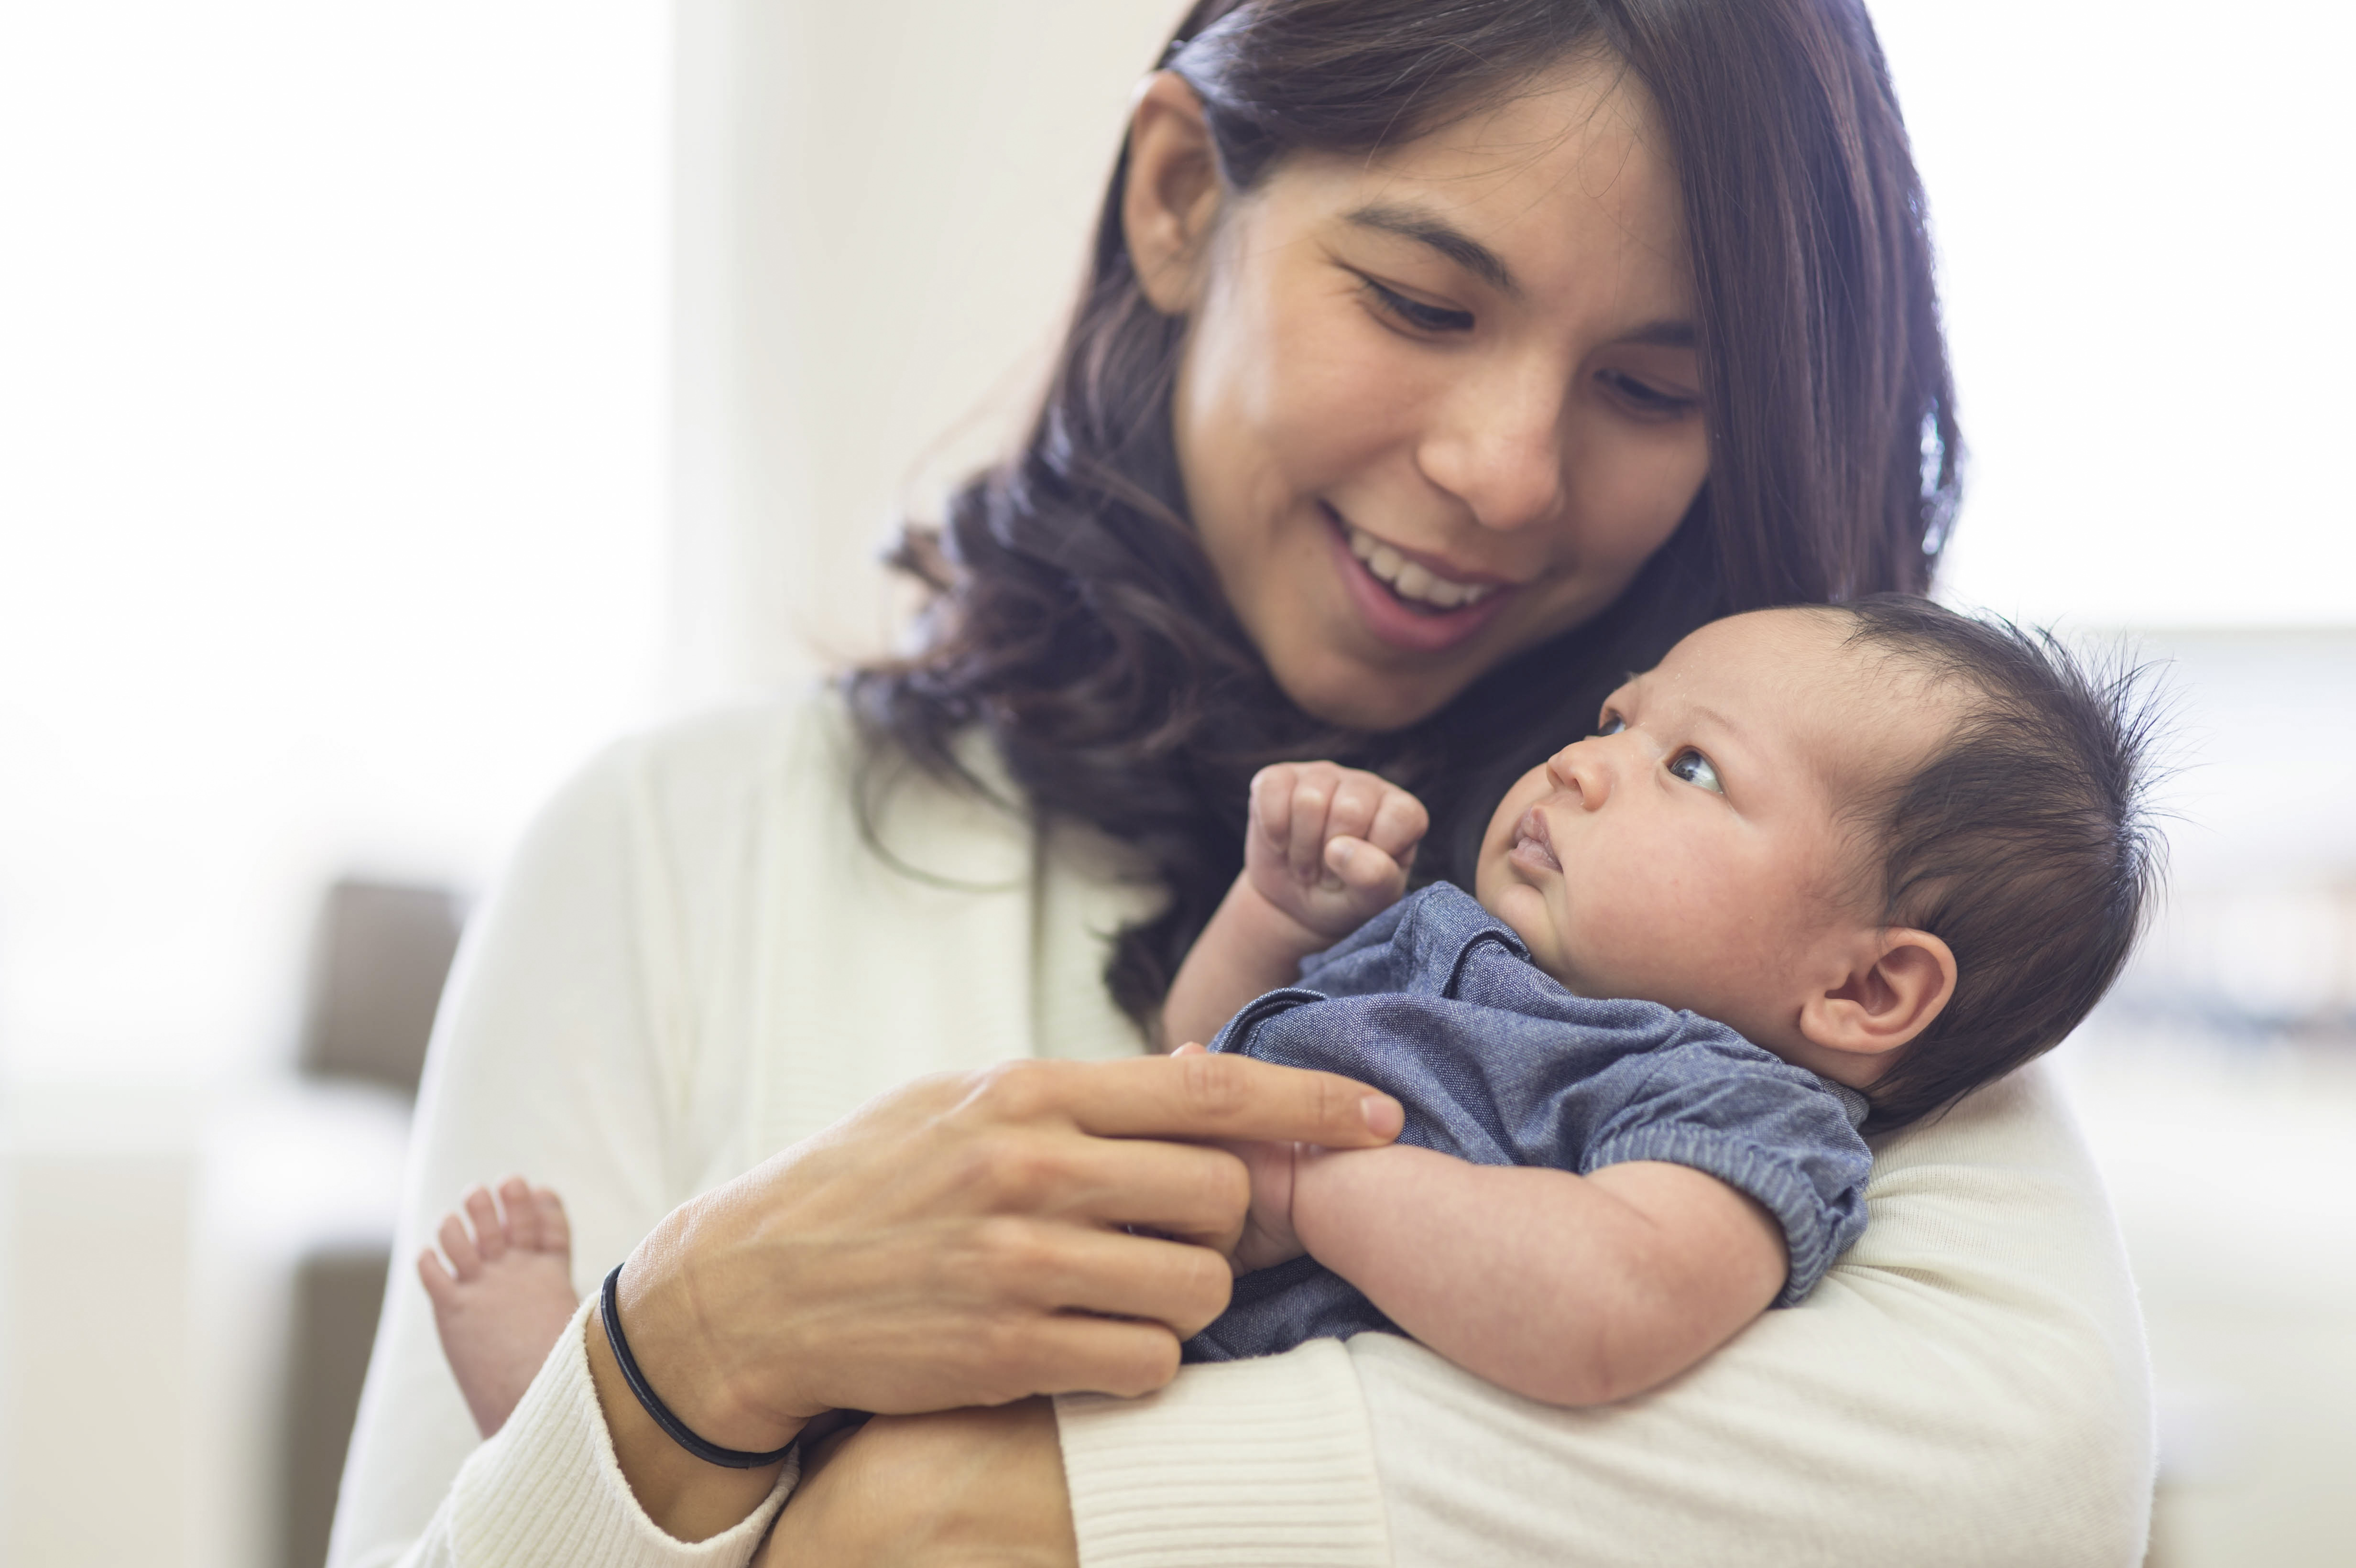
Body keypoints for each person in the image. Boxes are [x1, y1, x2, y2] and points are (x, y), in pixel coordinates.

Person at [329, 3, 2159, 1565]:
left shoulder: (1791, 951)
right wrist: (688, 1350)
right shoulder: (670, 848)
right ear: (1184, 202)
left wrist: (948, 1514)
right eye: (1424, 302)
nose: (1506, 471)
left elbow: (2029, 1467)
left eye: (1649, 387)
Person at [414, 597, 2156, 1431]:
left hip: (1193, 1403)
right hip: (1090, 1293)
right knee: (853, 1381)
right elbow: (1201, 1054)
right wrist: (1275, 921)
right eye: (1623, 719)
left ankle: (613, 1423)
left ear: (1865, 987)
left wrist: (1312, 1181)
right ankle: (580, 1398)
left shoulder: (1727, 1112)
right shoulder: (1453, 944)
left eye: (1691, 767)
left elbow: (1603, 1314)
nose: (1592, 762)